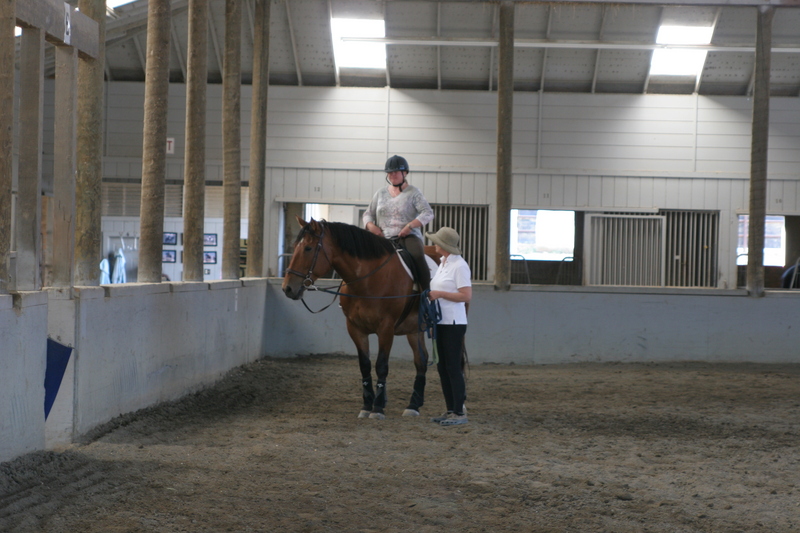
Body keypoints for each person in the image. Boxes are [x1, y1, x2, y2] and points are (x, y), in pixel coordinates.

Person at [363, 155, 434, 291]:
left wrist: (410, 226)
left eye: (395, 172)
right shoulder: (380, 193)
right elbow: (368, 214)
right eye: (389, 172)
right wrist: (371, 226)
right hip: (383, 238)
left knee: (418, 256)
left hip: (408, 237)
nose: (392, 175)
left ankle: (425, 293)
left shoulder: (414, 193)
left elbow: (428, 213)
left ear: (405, 173)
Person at [425, 226, 472, 426]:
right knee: (443, 368)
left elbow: (466, 296)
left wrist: (440, 294)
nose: (434, 244)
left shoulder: (459, 266)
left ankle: (459, 412)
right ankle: (451, 409)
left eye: (436, 241)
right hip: (440, 322)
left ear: (443, 245)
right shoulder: (443, 263)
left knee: (452, 367)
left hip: (453, 323)